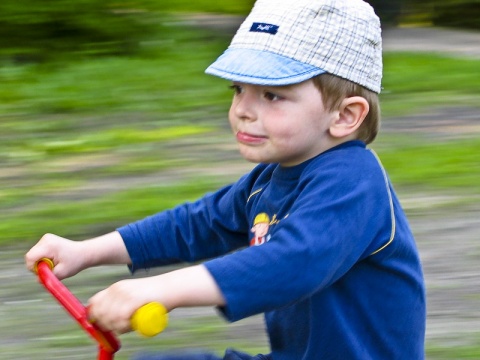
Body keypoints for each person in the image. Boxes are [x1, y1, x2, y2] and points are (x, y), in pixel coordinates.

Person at [25, 0, 426, 359]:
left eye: (272, 95)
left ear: (344, 116)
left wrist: (163, 290)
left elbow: (294, 262)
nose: (242, 110)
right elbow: (196, 223)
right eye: (238, 89)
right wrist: (88, 251)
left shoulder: (355, 182)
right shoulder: (268, 180)